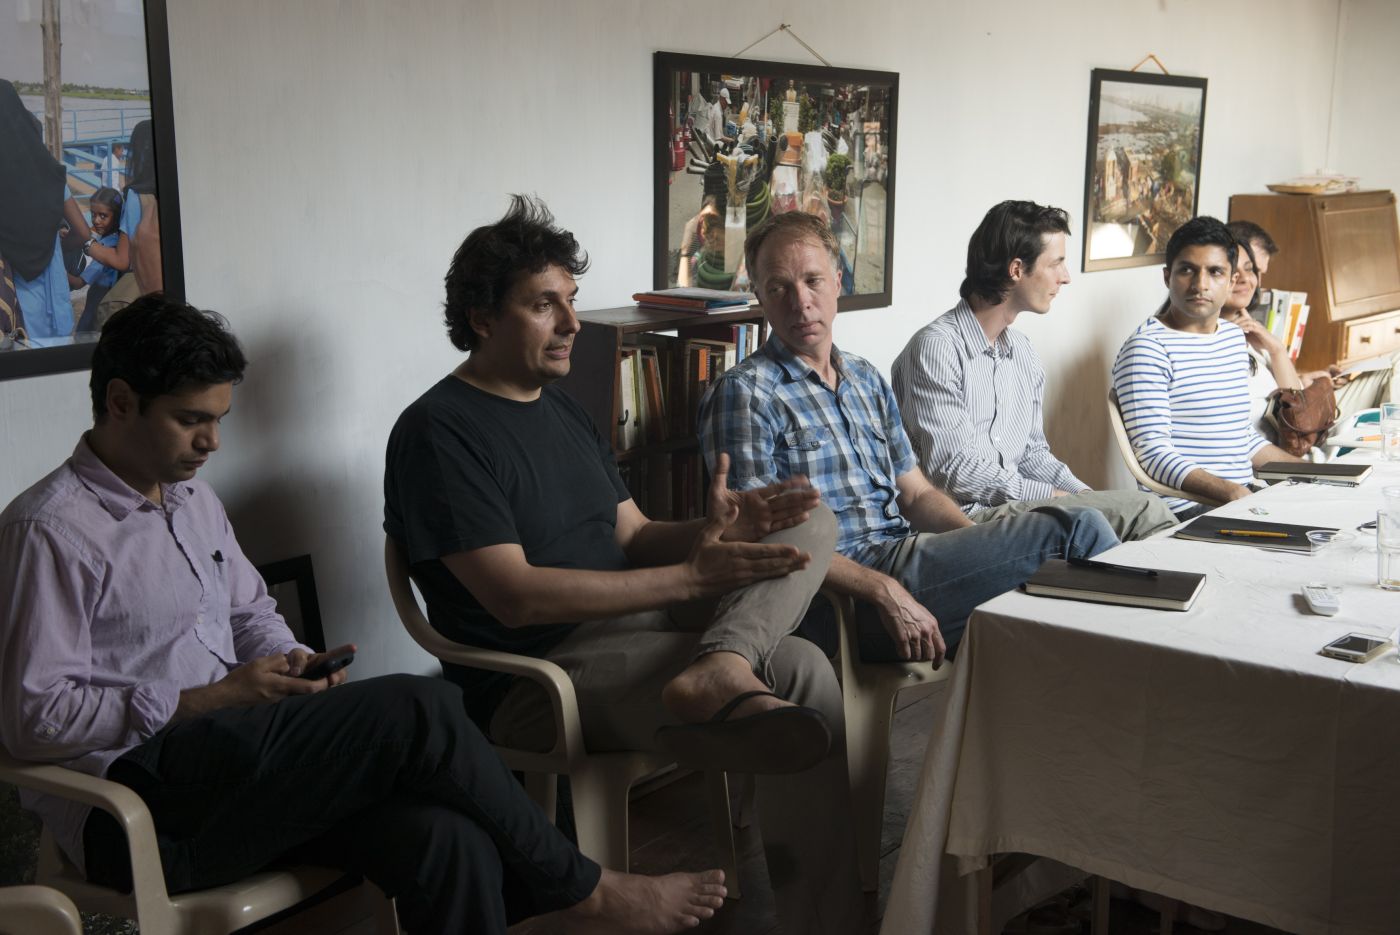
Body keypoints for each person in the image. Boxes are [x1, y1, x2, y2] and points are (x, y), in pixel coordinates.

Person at [0, 294, 725, 935]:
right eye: (191, 420)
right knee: (419, 705)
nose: (212, 443)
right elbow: (32, 718)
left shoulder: (192, 500)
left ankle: (562, 888)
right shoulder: (50, 530)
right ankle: (583, 888)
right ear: (121, 402)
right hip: (139, 798)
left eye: (219, 419)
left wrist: (291, 660)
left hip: (240, 761)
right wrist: (207, 697)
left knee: (448, 843)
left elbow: (251, 610)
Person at [383, 195, 864, 935]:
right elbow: (515, 598)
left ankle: (825, 919)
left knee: (810, 529)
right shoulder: (438, 432)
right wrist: (693, 578)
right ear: (482, 317)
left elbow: (635, 535)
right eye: (546, 306)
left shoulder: (563, 408)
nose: (573, 323)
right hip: (536, 677)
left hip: (634, 630)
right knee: (795, 668)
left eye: (570, 301)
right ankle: (723, 664)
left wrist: (717, 527)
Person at [699, 210, 1119, 665]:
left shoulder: (864, 378)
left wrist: (975, 544)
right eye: (779, 287)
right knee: (1079, 531)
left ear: (838, 282)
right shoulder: (745, 393)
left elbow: (916, 493)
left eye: (814, 281)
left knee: (1078, 566)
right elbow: (760, 541)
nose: (800, 302)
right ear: (758, 294)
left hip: (909, 557)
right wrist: (883, 588)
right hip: (844, 597)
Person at [891, 200, 1176, 541]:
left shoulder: (1022, 352)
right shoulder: (937, 348)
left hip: (1016, 510)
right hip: (962, 522)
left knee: (1133, 513)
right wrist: (1053, 498)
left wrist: (1084, 496)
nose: (1066, 277)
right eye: (1056, 263)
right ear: (1016, 270)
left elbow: (1033, 455)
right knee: (1147, 511)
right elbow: (952, 471)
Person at [1112, 217, 1300, 519]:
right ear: (1167, 276)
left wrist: (1310, 471)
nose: (1200, 285)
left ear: (1230, 280)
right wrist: (1232, 493)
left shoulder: (1230, 338)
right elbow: (1153, 454)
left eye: (1215, 272)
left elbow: (1241, 439)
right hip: (1188, 509)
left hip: (1239, 498)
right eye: (1187, 270)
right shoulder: (1147, 348)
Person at [0, 79, 86, 347]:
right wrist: (54, 248)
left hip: (18, 315)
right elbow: (83, 232)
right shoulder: (50, 173)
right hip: (57, 306)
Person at [72, 187, 128, 333]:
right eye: (93, 214)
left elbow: (79, 283)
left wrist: (55, 269)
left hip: (99, 300)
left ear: (116, 217)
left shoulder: (107, 247)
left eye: (103, 216)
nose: (96, 220)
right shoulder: (117, 239)